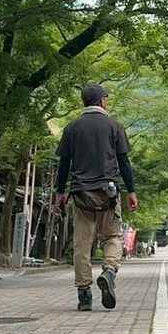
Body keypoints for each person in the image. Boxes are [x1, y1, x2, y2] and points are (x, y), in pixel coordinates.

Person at [54, 83, 138, 312]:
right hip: (108, 192)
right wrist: (131, 191)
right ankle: (109, 271)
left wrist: (60, 192)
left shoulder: (72, 128)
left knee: (82, 244)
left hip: (81, 193)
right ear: (102, 101)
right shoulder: (114, 126)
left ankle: (84, 295)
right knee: (112, 237)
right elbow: (124, 162)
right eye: (106, 98)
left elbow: (64, 164)